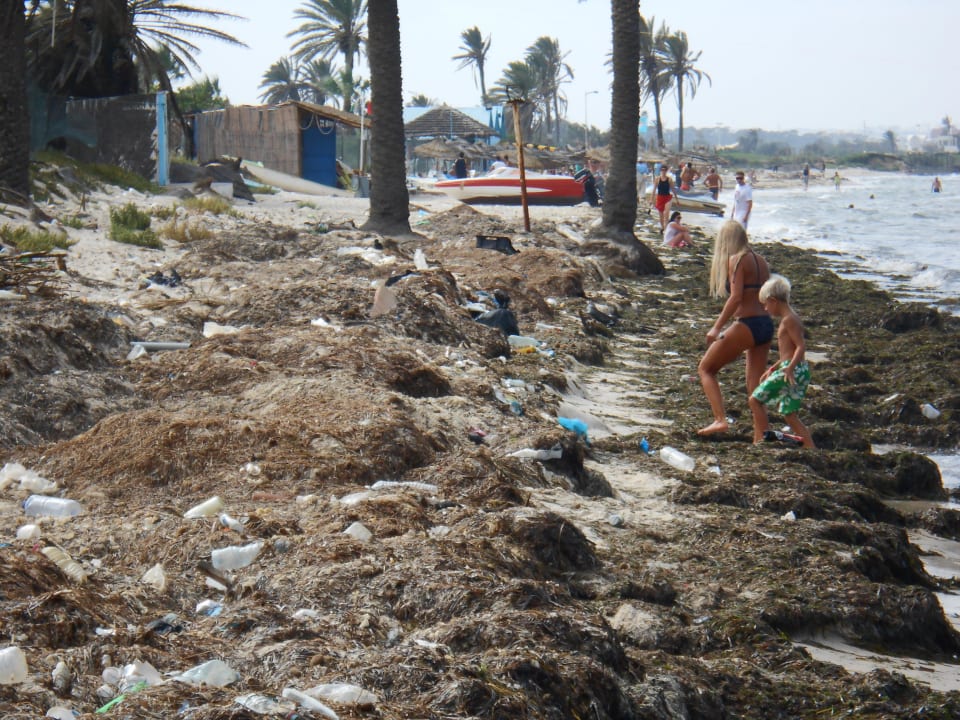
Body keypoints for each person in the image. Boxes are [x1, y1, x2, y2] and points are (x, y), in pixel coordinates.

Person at [697, 221, 772, 436]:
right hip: (765, 325)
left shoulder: (736, 260)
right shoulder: (761, 261)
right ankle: (761, 434)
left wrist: (716, 327)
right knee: (755, 386)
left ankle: (720, 420)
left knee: (706, 369)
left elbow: (736, 297)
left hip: (747, 324)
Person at [749, 275, 815, 448]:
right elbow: (788, 352)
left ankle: (761, 439)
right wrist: (773, 368)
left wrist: (789, 369)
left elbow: (801, 347)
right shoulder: (790, 318)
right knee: (789, 415)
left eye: (766, 304)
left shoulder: (789, 320)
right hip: (795, 369)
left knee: (755, 400)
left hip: (793, 370)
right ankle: (810, 448)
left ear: (774, 300)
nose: (765, 308)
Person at [652, 165, 677, 230]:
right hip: (660, 198)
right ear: (660, 170)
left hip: (667, 197)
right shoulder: (657, 179)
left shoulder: (669, 179)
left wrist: (677, 199)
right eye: (662, 170)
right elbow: (654, 190)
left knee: (666, 213)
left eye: (664, 170)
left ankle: (666, 228)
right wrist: (651, 200)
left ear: (666, 171)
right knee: (661, 215)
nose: (663, 171)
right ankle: (662, 228)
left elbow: (673, 189)